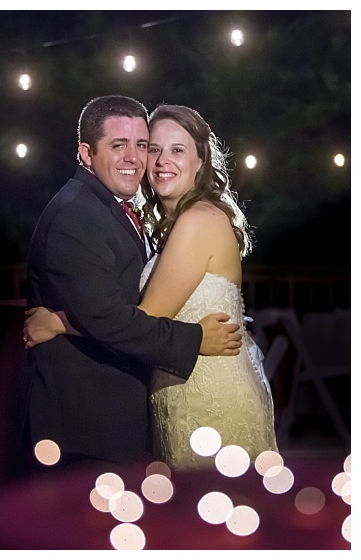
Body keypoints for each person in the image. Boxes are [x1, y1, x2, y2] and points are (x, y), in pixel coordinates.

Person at [26, 104, 277, 469]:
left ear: (201, 160)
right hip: (173, 389)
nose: (155, 160)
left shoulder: (196, 222)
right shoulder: (113, 216)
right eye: (154, 148)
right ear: (86, 153)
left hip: (207, 393)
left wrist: (61, 322)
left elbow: (142, 317)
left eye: (175, 150)